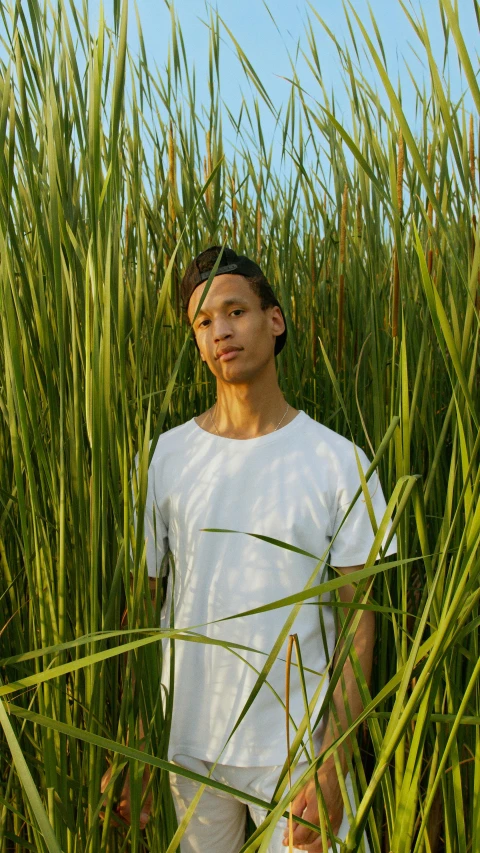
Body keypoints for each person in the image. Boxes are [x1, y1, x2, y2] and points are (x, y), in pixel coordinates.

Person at [104, 245, 396, 851]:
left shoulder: (339, 461)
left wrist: (334, 761)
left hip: (296, 755)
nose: (220, 332)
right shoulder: (163, 458)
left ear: (275, 319)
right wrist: (134, 742)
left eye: (234, 310)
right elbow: (146, 607)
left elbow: (360, 621)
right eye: (203, 322)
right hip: (186, 750)